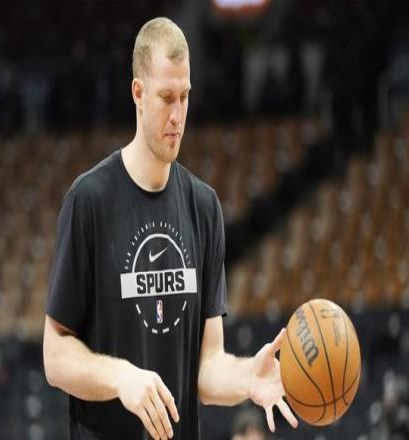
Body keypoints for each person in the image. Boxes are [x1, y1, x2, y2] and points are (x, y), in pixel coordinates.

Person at [43, 17, 298, 440]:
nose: (178, 115)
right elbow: (55, 355)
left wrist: (247, 377)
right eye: (166, 98)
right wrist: (120, 377)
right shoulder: (89, 200)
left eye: (185, 97)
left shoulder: (204, 207)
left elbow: (208, 369)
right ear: (138, 93)